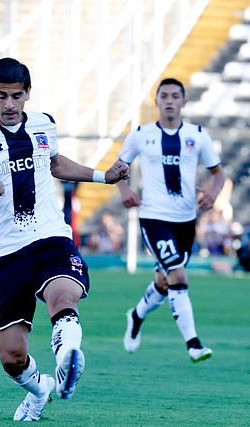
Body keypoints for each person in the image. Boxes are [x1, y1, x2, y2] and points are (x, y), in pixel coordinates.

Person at [0, 57, 129, 421]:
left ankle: (68, 353)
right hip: (6, 254)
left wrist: (104, 176)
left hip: (50, 236)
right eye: (1, 96)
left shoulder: (43, 124)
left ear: (27, 95)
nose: (9, 105)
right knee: (11, 357)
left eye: (17, 96)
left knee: (62, 293)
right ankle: (39, 389)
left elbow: (56, 165)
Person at [117, 78, 225, 363]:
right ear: (156, 102)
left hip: (186, 222)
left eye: (175, 96)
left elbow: (218, 173)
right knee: (177, 274)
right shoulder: (140, 134)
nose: (169, 100)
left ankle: (137, 315)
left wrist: (213, 193)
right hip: (153, 218)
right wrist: (125, 189)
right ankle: (194, 344)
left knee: (165, 282)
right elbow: (120, 166)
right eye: (163, 95)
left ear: (183, 102)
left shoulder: (198, 135)